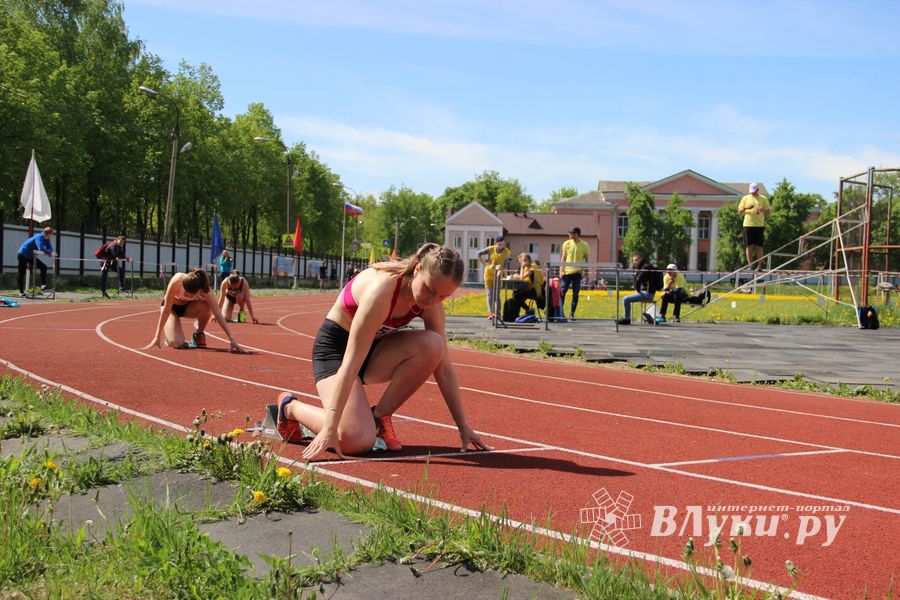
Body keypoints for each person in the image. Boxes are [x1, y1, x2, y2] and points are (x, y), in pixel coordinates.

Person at [275, 243, 492, 460]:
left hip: (375, 350)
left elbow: (443, 367)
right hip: (337, 352)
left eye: (443, 297)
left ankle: (378, 418)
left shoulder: (431, 302)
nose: (432, 300)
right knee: (355, 441)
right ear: (417, 270)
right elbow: (350, 363)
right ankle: (290, 408)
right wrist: (330, 427)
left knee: (435, 345)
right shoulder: (381, 291)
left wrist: (463, 426)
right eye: (429, 289)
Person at [145, 268, 246, 352]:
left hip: (188, 308)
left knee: (206, 306)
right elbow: (166, 309)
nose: (185, 295)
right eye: (185, 292)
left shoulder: (205, 291)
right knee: (177, 343)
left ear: (199, 291)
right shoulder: (177, 280)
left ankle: (199, 334)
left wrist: (232, 339)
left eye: (190, 295)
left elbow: (218, 314)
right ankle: (168, 337)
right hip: (171, 308)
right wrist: (156, 336)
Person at [616, 253, 662, 325]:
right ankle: (627, 318)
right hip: (648, 293)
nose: (634, 262)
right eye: (633, 260)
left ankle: (627, 319)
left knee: (625, 299)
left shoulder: (645, 267)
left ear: (641, 259)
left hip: (647, 294)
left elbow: (638, 279)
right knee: (627, 298)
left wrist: (637, 291)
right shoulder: (645, 266)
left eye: (636, 260)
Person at [737, 182, 770, 270]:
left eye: (754, 191)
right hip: (748, 225)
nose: (753, 193)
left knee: (759, 246)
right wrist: (745, 208)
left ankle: (759, 266)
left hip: (759, 225)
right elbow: (739, 212)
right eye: (751, 191)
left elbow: (768, 212)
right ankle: (750, 265)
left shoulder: (763, 199)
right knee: (749, 245)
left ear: (758, 190)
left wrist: (762, 210)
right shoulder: (745, 198)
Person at [477, 235, 510, 319]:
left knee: (496, 295)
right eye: (499, 242)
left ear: (504, 242)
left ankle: (498, 313)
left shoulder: (506, 252)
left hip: (498, 274)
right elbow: (478, 253)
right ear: (496, 243)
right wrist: (484, 263)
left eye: (502, 241)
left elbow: (506, 265)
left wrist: (505, 277)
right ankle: (491, 313)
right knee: (489, 295)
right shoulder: (491, 249)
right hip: (488, 274)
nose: (500, 243)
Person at [17, 226, 56, 297]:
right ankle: (21, 292)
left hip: (31, 256)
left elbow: (50, 248)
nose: (51, 236)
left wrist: (49, 252)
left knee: (43, 267)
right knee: (21, 273)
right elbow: (40, 247)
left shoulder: (47, 239)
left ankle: (43, 286)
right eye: (51, 234)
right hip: (23, 254)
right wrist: (49, 253)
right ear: (48, 233)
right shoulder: (39, 237)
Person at [560, 226, 589, 320]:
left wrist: (586, 271)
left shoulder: (584, 245)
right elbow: (563, 258)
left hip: (577, 272)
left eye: (570, 233)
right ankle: (561, 311)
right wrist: (561, 270)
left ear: (576, 234)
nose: (569, 235)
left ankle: (572, 313)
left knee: (575, 293)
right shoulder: (566, 243)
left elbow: (586, 259)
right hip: (567, 272)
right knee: (562, 291)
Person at [508, 253, 545, 317]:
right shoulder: (526, 267)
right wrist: (517, 275)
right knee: (516, 294)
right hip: (529, 288)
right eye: (522, 261)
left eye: (525, 260)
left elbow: (522, 277)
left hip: (536, 290)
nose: (523, 262)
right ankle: (515, 314)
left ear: (529, 261)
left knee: (516, 295)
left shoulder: (532, 267)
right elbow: (520, 276)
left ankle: (528, 309)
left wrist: (522, 268)